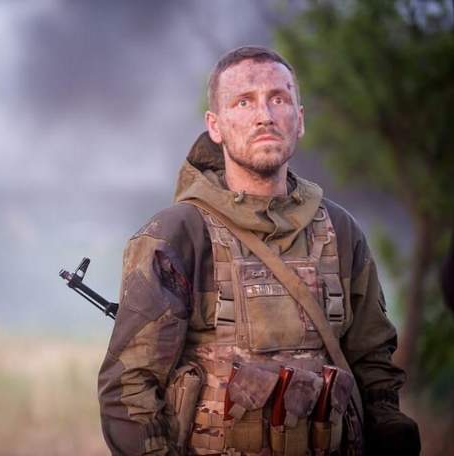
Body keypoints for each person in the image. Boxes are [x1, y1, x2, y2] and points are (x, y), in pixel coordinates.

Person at [98, 46, 420, 455]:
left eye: (278, 99)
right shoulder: (179, 235)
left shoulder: (340, 231)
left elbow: (375, 368)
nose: (264, 115)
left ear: (299, 120)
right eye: (244, 102)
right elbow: (129, 390)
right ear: (215, 126)